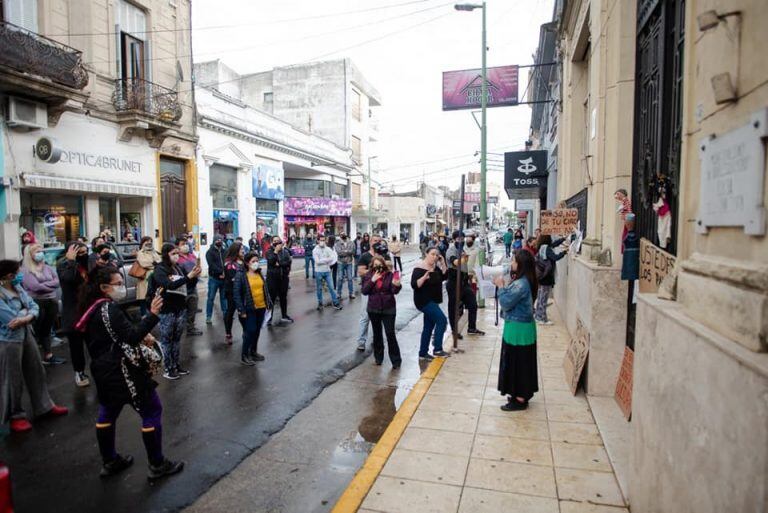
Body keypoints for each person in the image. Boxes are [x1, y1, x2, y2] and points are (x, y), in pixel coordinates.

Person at [75, 266, 184, 480]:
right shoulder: (108, 309)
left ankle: (110, 461)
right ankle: (157, 464)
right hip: (122, 370)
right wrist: (152, 315)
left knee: (108, 411)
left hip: (102, 370)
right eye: (118, 283)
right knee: (152, 410)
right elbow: (131, 336)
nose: (122, 287)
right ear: (104, 287)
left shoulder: (90, 307)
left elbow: (117, 333)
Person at [0, 259, 69, 433]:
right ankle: (16, 416)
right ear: (9, 276)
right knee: (12, 378)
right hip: (8, 340)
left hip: (25, 333)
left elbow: (33, 306)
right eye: (17, 272)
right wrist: (28, 314)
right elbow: (10, 319)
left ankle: (44, 406)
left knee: (36, 370)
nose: (20, 275)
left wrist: (25, 316)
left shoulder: (18, 288)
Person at [493, 250, 539, 411]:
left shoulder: (520, 284)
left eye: (513, 261)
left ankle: (520, 398)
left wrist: (500, 287)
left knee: (517, 362)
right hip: (521, 328)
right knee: (521, 361)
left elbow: (506, 302)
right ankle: (519, 394)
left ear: (520, 265)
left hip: (518, 330)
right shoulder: (525, 281)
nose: (511, 264)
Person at [152, 243, 201, 380]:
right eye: (173, 253)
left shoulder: (178, 268)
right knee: (167, 339)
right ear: (166, 254)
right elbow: (169, 285)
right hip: (167, 308)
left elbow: (188, 284)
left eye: (177, 253)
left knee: (176, 339)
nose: (176, 256)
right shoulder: (160, 269)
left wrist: (194, 276)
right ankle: (168, 368)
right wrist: (188, 277)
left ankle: (176, 365)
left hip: (180, 307)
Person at [21, 244, 66, 365]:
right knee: (37, 330)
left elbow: (57, 282)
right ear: (29, 255)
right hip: (37, 302)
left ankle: (48, 356)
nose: (40, 254)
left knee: (46, 330)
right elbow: (34, 287)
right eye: (37, 252)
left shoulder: (47, 267)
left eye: (41, 251)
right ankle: (33, 359)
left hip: (51, 301)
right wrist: (49, 285)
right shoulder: (25, 270)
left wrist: (44, 285)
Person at [57, 241, 92, 387]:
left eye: (85, 252)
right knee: (76, 346)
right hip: (73, 312)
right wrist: (71, 260)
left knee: (95, 343)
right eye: (80, 253)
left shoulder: (86, 264)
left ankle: (98, 370)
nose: (84, 255)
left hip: (89, 310)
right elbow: (69, 279)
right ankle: (79, 372)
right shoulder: (64, 265)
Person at [361, 255, 402, 368]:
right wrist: (372, 280)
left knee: (390, 334)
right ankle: (378, 358)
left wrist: (397, 285)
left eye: (380, 265)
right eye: (375, 265)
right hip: (373, 308)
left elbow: (394, 291)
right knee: (377, 334)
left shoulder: (389, 275)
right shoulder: (369, 275)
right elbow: (364, 291)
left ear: (383, 265)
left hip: (388, 308)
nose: (378, 267)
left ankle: (396, 360)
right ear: (372, 266)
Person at [411, 248, 451, 360]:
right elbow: (414, 285)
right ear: (426, 254)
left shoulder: (435, 267)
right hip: (424, 301)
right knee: (442, 320)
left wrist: (443, 262)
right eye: (432, 254)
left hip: (434, 300)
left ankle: (422, 353)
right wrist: (424, 277)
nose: (434, 257)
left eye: (436, 255)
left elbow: (444, 276)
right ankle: (437, 349)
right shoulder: (419, 268)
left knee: (428, 327)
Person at [233, 252, 271, 365]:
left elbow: (265, 289)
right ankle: (244, 355)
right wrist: (241, 309)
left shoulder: (259, 273)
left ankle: (253, 351)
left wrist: (268, 303)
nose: (256, 263)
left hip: (261, 306)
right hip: (249, 308)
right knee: (250, 331)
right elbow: (237, 294)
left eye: (257, 261)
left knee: (257, 331)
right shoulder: (241, 275)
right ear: (247, 263)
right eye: (253, 261)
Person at [445, 231, 484, 339]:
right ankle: (454, 330)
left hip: (464, 282)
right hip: (454, 282)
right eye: (458, 239)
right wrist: (464, 259)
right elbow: (455, 262)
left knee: (472, 304)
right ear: (454, 240)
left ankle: (471, 328)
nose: (461, 241)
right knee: (453, 308)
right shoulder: (451, 250)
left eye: (462, 239)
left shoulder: (462, 249)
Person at [356, 235, 391, 351]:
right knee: (365, 317)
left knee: (379, 317)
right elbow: (360, 271)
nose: (377, 243)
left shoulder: (384, 255)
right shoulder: (365, 256)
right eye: (375, 241)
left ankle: (376, 339)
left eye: (379, 241)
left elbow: (390, 269)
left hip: (382, 291)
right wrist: (374, 270)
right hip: (369, 289)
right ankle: (361, 341)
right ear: (370, 242)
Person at [534, 234, 569, 325]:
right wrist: (564, 252)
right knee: (543, 298)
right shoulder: (547, 249)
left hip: (541, 277)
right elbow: (555, 257)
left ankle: (538, 315)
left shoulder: (542, 247)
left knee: (541, 297)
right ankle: (542, 318)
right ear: (547, 240)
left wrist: (563, 239)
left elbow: (554, 244)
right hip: (546, 277)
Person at [176, 237, 202, 337]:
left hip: (193, 285)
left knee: (192, 308)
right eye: (182, 243)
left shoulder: (192, 256)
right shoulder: (177, 258)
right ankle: (179, 328)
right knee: (181, 310)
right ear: (177, 246)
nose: (185, 245)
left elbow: (197, 267)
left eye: (186, 243)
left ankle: (190, 328)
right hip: (182, 287)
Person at [266, 236, 293, 324]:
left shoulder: (285, 252)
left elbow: (288, 262)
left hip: (283, 278)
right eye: (275, 241)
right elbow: (271, 262)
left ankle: (284, 315)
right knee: (271, 299)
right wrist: (275, 252)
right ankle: (269, 318)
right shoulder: (269, 252)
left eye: (278, 241)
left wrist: (279, 264)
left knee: (283, 298)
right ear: (272, 242)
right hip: (272, 279)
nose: (277, 243)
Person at [223, 242, 245, 344]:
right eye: (241, 249)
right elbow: (233, 278)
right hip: (232, 292)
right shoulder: (229, 264)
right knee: (230, 312)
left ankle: (245, 332)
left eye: (243, 249)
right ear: (236, 251)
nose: (243, 251)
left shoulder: (244, 262)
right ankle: (228, 333)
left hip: (243, 292)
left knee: (243, 312)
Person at [312, 235, 343, 311]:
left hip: (327, 271)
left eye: (323, 240)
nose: (322, 242)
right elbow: (317, 261)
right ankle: (320, 303)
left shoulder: (328, 249)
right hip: (318, 271)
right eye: (321, 240)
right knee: (319, 289)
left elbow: (332, 259)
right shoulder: (315, 250)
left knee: (331, 288)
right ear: (318, 241)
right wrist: (326, 260)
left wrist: (322, 260)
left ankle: (336, 303)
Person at [136, 237, 161, 316]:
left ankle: (153, 315)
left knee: (154, 297)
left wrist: (154, 264)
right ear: (142, 243)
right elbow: (144, 263)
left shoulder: (154, 252)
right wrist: (154, 264)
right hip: (144, 278)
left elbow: (159, 261)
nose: (149, 243)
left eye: (150, 241)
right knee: (144, 298)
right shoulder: (140, 253)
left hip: (155, 276)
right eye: (146, 241)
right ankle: (144, 316)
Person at [205, 235, 227, 324]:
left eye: (220, 239)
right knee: (211, 298)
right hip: (214, 278)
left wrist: (225, 273)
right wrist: (221, 272)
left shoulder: (225, 251)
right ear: (214, 241)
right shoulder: (209, 252)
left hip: (224, 279)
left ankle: (225, 314)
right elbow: (211, 265)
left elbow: (227, 262)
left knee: (223, 297)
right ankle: (208, 316)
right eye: (217, 239)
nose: (219, 241)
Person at [334, 232, 356, 300]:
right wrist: (347, 252)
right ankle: (338, 293)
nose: (343, 235)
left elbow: (353, 251)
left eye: (344, 234)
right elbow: (339, 253)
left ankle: (351, 293)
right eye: (342, 234)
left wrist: (345, 251)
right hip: (341, 262)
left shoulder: (351, 242)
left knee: (350, 278)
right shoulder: (337, 243)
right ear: (340, 236)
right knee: (340, 278)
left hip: (349, 262)